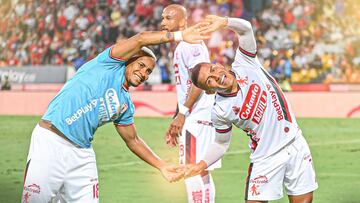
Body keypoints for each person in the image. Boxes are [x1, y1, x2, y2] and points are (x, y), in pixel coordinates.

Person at [21, 24, 208, 202]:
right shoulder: (106, 63)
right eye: (141, 65)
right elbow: (141, 38)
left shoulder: (125, 104)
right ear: (128, 59)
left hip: (82, 154)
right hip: (51, 142)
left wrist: (162, 166)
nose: (144, 73)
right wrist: (180, 36)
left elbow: (133, 140)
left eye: (149, 71)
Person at [186, 15, 318, 203]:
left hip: (295, 143)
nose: (217, 76)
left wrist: (224, 22)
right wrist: (200, 164)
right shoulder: (220, 110)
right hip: (265, 157)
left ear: (218, 65)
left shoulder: (244, 63)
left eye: (213, 69)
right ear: (209, 91)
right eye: (210, 80)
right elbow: (221, 144)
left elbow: (246, 29)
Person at [161, 5, 221, 203]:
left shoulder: (191, 45)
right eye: (163, 18)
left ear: (182, 21)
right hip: (196, 115)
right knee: (199, 171)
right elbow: (186, 85)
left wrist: (183, 114)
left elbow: (201, 81)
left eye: (169, 18)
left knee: (191, 170)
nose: (163, 22)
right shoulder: (184, 45)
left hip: (197, 115)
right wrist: (176, 117)